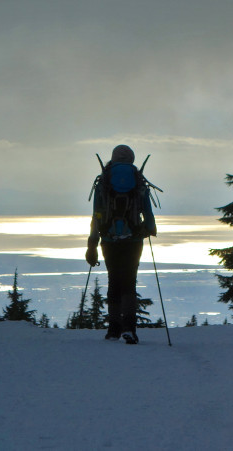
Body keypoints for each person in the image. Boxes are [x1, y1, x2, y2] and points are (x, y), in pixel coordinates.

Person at [86, 144, 157, 343]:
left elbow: (96, 216)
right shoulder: (138, 181)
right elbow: (148, 215)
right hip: (133, 240)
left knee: (113, 281)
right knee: (129, 282)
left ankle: (113, 330)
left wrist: (92, 245)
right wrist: (148, 229)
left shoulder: (104, 182)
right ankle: (129, 329)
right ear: (132, 159)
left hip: (109, 240)